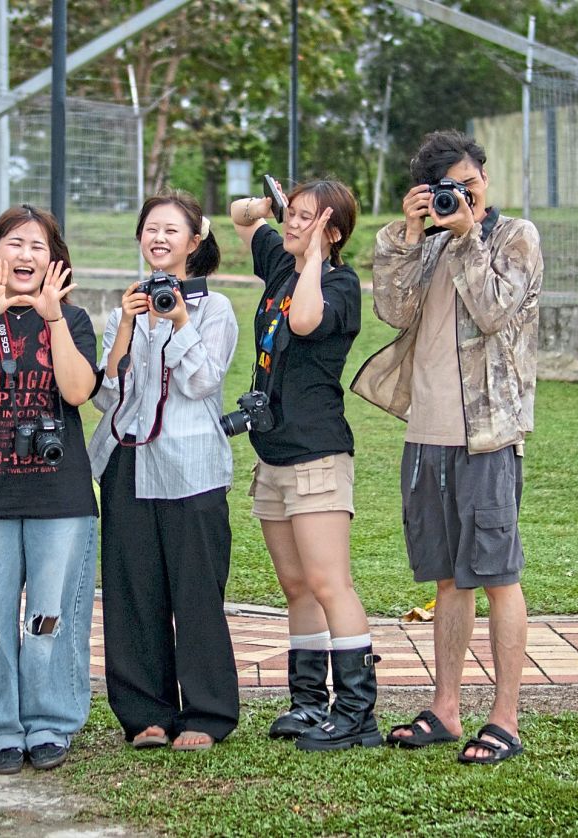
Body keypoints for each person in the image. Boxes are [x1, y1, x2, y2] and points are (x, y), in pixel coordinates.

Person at [351, 129, 542, 764]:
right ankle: (446, 708)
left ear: (483, 177)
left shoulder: (515, 237)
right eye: (445, 188)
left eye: (469, 182)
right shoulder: (425, 240)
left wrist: (466, 234)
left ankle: (506, 719)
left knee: (496, 575)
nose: (461, 195)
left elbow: (491, 312)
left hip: (487, 435)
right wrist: (409, 239)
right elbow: (393, 311)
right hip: (425, 433)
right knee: (446, 578)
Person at [0, 204, 99, 776]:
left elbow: (78, 392)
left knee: (53, 615)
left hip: (61, 496)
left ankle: (51, 723)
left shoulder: (73, 321)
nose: (25, 255)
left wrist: (53, 320)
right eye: (14, 243)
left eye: (38, 246)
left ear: (55, 261)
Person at [229, 179, 381, 751]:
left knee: (328, 582)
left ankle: (357, 714)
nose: (291, 225)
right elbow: (242, 218)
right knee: (296, 585)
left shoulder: (339, 284)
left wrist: (315, 253)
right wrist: (269, 206)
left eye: (306, 218)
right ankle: (309, 704)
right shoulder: (280, 262)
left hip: (317, 456)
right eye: (291, 215)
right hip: (272, 456)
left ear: (333, 231)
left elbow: (303, 322)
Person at [88, 190, 240, 753]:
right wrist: (128, 329)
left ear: (194, 242)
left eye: (172, 230)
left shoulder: (215, 309)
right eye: (152, 228)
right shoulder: (120, 312)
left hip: (192, 467)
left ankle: (207, 712)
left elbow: (203, 383)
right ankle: (144, 714)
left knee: (196, 591)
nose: (159, 239)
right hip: (126, 461)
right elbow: (105, 397)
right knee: (132, 591)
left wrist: (178, 322)